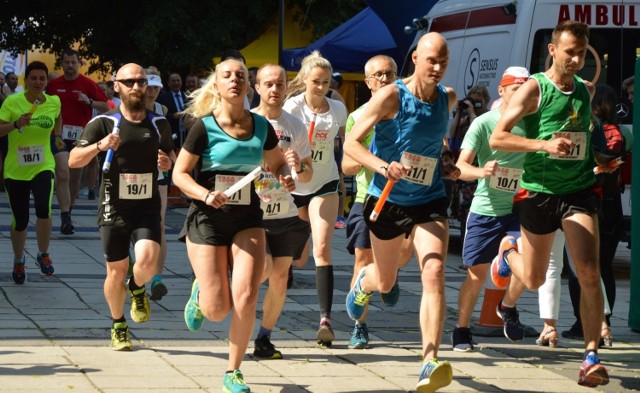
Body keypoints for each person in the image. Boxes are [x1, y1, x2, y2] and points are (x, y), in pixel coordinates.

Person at [489, 21, 609, 387]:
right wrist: (543, 145)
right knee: (536, 277)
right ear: (552, 50)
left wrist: (597, 158)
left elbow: (580, 138)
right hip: (539, 193)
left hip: (578, 191)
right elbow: (499, 137)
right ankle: (509, 251)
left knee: (588, 271)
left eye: (580, 52)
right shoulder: (534, 89)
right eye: (568, 51)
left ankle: (590, 358)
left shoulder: (584, 92)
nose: (575, 59)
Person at [344, 33, 459, 392]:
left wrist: (446, 161)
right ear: (415, 60)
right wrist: (383, 166)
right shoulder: (391, 95)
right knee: (387, 280)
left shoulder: (448, 98)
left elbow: (434, 140)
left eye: (443, 61)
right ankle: (364, 283)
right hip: (388, 200)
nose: (437, 68)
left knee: (434, 270)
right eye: (431, 61)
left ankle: (429, 361)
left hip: (429, 198)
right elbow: (350, 144)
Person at [173, 59, 295, 393]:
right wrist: (205, 193)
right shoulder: (204, 127)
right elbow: (179, 174)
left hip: (247, 219)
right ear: (217, 85)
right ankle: (201, 294)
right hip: (207, 219)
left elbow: (277, 161)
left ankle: (233, 371)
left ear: (248, 84)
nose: (235, 80)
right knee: (217, 310)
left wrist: (285, 174)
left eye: (241, 76)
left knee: (246, 295)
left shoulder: (261, 125)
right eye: (227, 76)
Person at [68, 64, 174, 351]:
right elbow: (73, 160)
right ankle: (118, 324)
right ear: (117, 86)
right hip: (112, 205)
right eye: (129, 82)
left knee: (148, 261)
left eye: (141, 81)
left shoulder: (158, 123)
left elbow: (170, 157)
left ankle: (137, 287)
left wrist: (167, 163)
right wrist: (100, 146)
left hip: (146, 205)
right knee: (115, 271)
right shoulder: (103, 122)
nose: (137, 87)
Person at [452, 67, 530, 351]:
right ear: (501, 90)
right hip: (486, 209)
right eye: (514, 89)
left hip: (521, 207)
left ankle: (507, 306)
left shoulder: (534, 123)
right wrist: (482, 171)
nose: (520, 95)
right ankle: (461, 329)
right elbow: (460, 168)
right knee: (476, 275)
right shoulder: (484, 123)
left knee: (530, 265)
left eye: (525, 90)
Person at [342, 54, 412, 349]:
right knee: (362, 259)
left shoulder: (410, 112)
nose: (385, 79)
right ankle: (359, 325)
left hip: (406, 197)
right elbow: (347, 166)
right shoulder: (358, 117)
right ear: (368, 82)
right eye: (379, 75)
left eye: (390, 73)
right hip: (368, 196)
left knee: (405, 253)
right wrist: (367, 159)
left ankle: (389, 273)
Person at [283, 50, 348, 347]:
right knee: (298, 258)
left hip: (325, 183)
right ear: (305, 81)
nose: (321, 87)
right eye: (316, 82)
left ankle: (325, 321)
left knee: (323, 249)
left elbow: (344, 142)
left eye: (326, 82)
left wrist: (344, 177)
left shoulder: (337, 108)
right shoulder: (293, 107)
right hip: (293, 187)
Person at [250, 63, 313, 359]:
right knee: (261, 269)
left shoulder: (295, 125)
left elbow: (309, 173)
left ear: (287, 87)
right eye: (269, 84)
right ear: (257, 87)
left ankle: (264, 337)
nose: (275, 89)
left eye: (280, 84)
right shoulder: (246, 122)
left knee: (279, 276)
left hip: (285, 212)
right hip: (252, 213)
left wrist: (296, 167)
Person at [562, 84, 625, 347]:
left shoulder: (601, 130)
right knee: (601, 268)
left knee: (582, 268)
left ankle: (586, 322)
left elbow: (608, 160)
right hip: (610, 205)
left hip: (593, 201)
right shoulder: (614, 130)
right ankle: (602, 323)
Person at [0, 61, 61, 284]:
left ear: (46, 81)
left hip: (43, 164)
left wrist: (59, 135)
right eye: (33, 78)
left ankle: (43, 254)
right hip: (16, 169)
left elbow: (58, 119)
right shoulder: (12, 101)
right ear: (26, 80)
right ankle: (18, 259)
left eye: (42, 79)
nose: (38, 82)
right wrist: (16, 124)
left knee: (44, 208)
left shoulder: (54, 101)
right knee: (21, 218)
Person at [47, 49, 109, 235]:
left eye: (73, 62)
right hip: (58, 136)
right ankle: (65, 215)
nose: (70, 65)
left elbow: (105, 105)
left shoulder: (87, 83)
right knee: (63, 173)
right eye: (67, 62)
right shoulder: (53, 85)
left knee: (74, 178)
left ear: (79, 63)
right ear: (62, 64)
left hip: (81, 137)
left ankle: (69, 209)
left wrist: (89, 102)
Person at [145, 70, 177, 301]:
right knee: (131, 227)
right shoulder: (124, 111)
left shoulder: (162, 112)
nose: (153, 92)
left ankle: (157, 277)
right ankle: (131, 264)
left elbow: (171, 151)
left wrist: (171, 164)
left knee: (160, 225)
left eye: (157, 87)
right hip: (130, 179)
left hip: (158, 176)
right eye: (149, 87)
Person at [156, 73, 188, 147]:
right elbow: (160, 115)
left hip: (186, 133)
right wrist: (173, 116)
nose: (176, 83)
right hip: (172, 132)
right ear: (168, 83)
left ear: (181, 82)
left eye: (178, 80)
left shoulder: (187, 96)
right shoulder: (163, 97)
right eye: (173, 81)